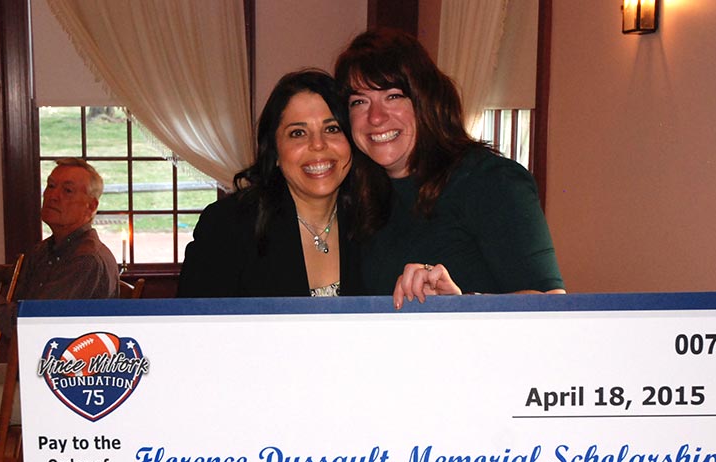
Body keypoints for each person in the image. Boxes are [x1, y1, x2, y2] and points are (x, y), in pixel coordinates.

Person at [334, 29, 566, 308]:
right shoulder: (362, 197)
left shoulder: (490, 181)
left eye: (393, 96)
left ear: (424, 100)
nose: (375, 117)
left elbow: (551, 305)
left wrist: (460, 303)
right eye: (359, 102)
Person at [178, 69, 372, 297]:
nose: (318, 145)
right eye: (298, 133)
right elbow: (193, 326)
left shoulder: (373, 220)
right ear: (275, 152)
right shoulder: (227, 226)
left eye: (332, 129)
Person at [0, 158, 118, 339]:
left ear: (91, 206)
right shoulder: (44, 250)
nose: (52, 196)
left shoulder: (85, 260)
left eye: (67, 190)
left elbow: (33, 326)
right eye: (50, 186)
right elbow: (18, 312)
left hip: (68, 365)